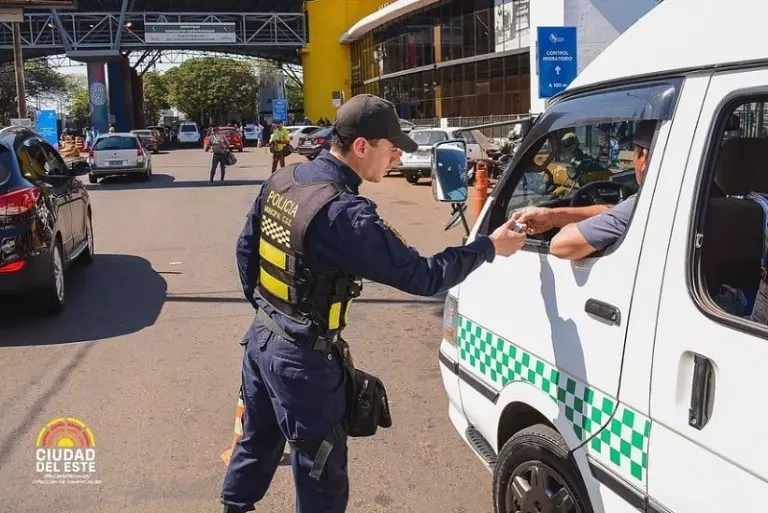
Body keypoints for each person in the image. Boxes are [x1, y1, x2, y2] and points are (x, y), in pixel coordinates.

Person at [220, 93, 527, 513]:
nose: (398, 156)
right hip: (303, 362)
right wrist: (489, 246)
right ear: (362, 146)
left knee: (257, 442)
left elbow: (245, 252)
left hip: (262, 341)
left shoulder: (285, 179)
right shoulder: (344, 213)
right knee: (320, 474)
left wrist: (271, 313)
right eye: (392, 147)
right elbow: (423, 276)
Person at [511, 120, 657, 260]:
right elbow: (613, 212)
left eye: (633, 152)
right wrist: (552, 217)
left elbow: (560, 245)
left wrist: (570, 226)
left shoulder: (643, 204)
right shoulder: (655, 200)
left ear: (643, 156)